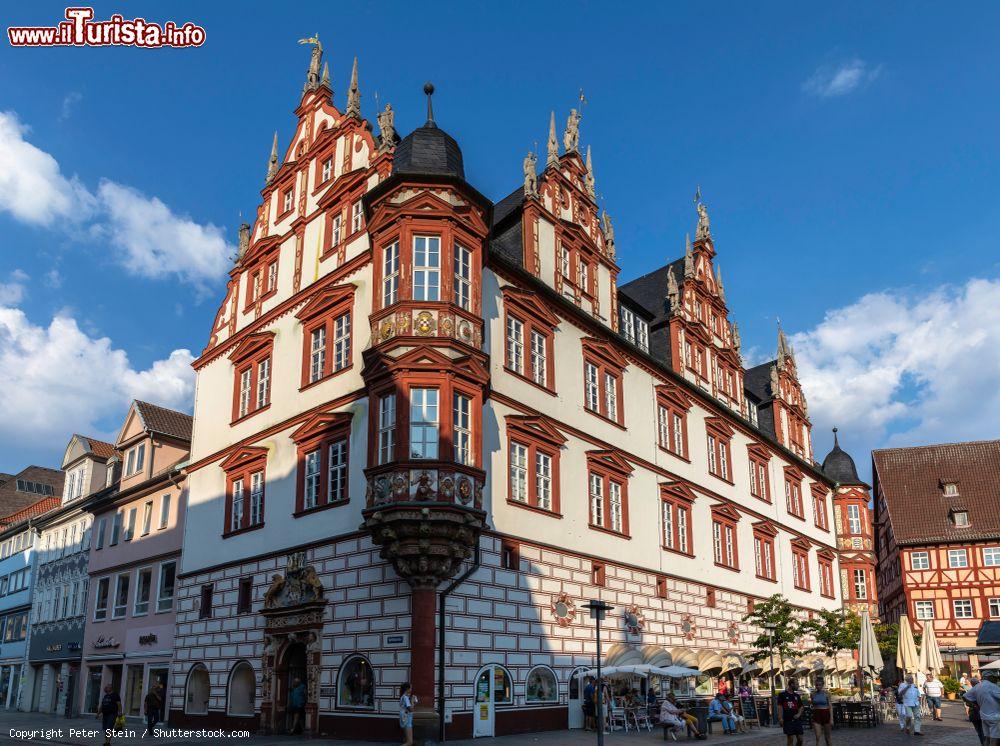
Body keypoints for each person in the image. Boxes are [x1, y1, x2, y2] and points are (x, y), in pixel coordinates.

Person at [964, 670, 1000, 746]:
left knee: (987, 737)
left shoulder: (978, 686)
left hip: (984, 716)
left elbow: (965, 697)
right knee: (995, 738)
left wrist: (975, 705)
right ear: (989, 677)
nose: (996, 679)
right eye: (994, 678)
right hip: (995, 717)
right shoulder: (993, 686)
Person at [777, 678, 805, 746]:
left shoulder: (797, 696)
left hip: (797, 720)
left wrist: (798, 714)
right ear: (791, 684)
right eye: (797, 684)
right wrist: (780, 718)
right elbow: (779, 707)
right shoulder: (782, 695)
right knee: (790, 739)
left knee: (800, 739)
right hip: (788, 720)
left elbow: (801, 707)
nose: (798, 686)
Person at [810, 678, 833, 746]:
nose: (818, 686)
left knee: (827, 738)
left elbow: (830, 706)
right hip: (817, 715)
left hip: (825, 714)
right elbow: (812, 705)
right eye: (816, 685)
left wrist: (831, 718)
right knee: (817, 737)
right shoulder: (812, 694)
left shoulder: (827, 693)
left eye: (819, 685)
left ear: (822, 685)